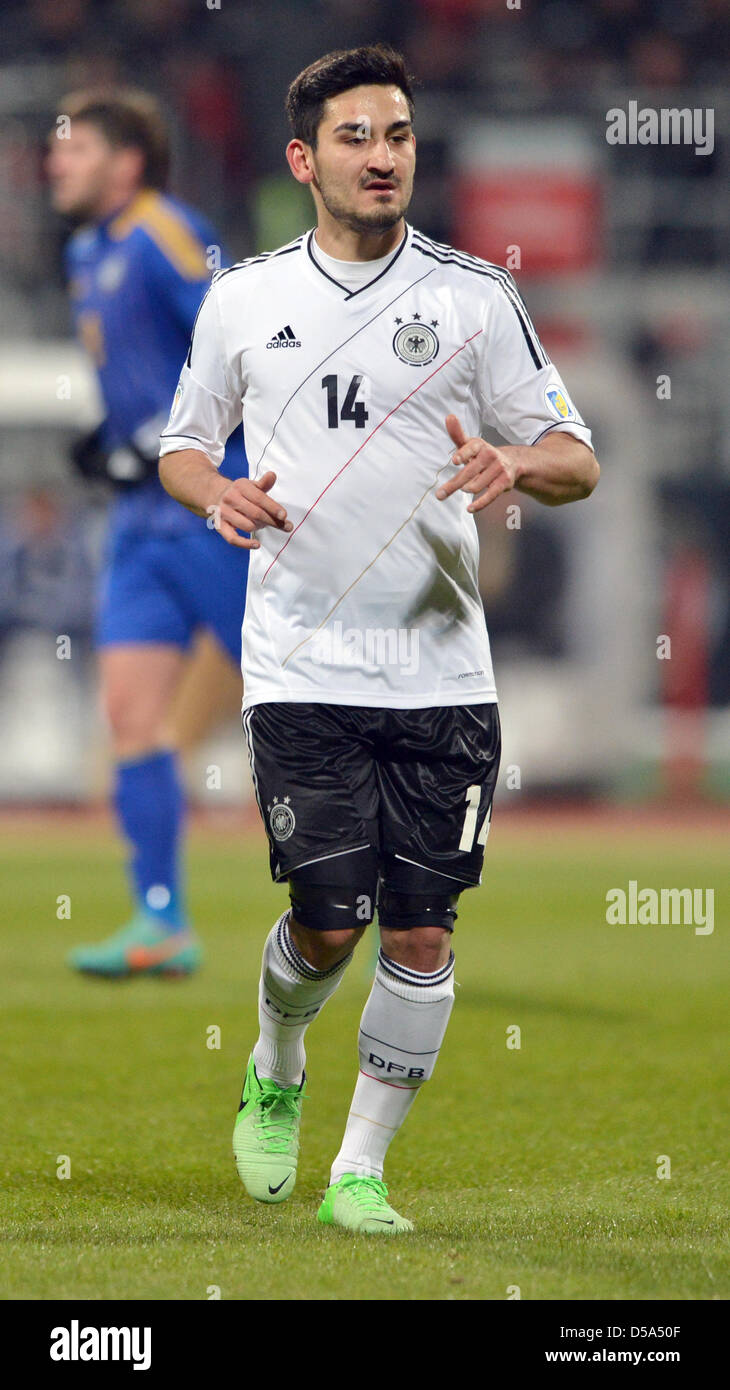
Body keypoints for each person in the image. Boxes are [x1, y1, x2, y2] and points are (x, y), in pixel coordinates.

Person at [159, 44, 599, 1233]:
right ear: (305, 159)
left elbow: (579, 456)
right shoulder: (243, 298)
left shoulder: (473, 299)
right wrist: (216, 491)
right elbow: (181, 443)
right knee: (328, 917)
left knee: (418, 925)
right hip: (299, 660)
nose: (382, 156)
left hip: (443, 672)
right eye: (356, 137)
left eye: (398, 135)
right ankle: (276, 1055)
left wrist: (515, 460)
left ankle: (359, 1171)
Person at [47, 89, 249, 978]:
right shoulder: (85, 249)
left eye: (76, 148)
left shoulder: (167, 230)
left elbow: (251, 345)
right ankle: (160, 919)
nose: (56, 162)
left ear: (126, 163)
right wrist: (114, 442)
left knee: (311, 704)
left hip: (218, 506)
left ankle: (402, 885)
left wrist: (175, 448)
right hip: (138, 522)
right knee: (131, 714)